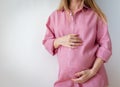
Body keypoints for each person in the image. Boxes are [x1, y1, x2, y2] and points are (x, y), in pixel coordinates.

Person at [42, 0, 112, 87]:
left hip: (93, 80)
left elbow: (106, 46)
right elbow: (47, 42)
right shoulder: (55, 16)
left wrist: (92, 71)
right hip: (65, 81)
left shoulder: (95, 15)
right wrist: (60, 40)